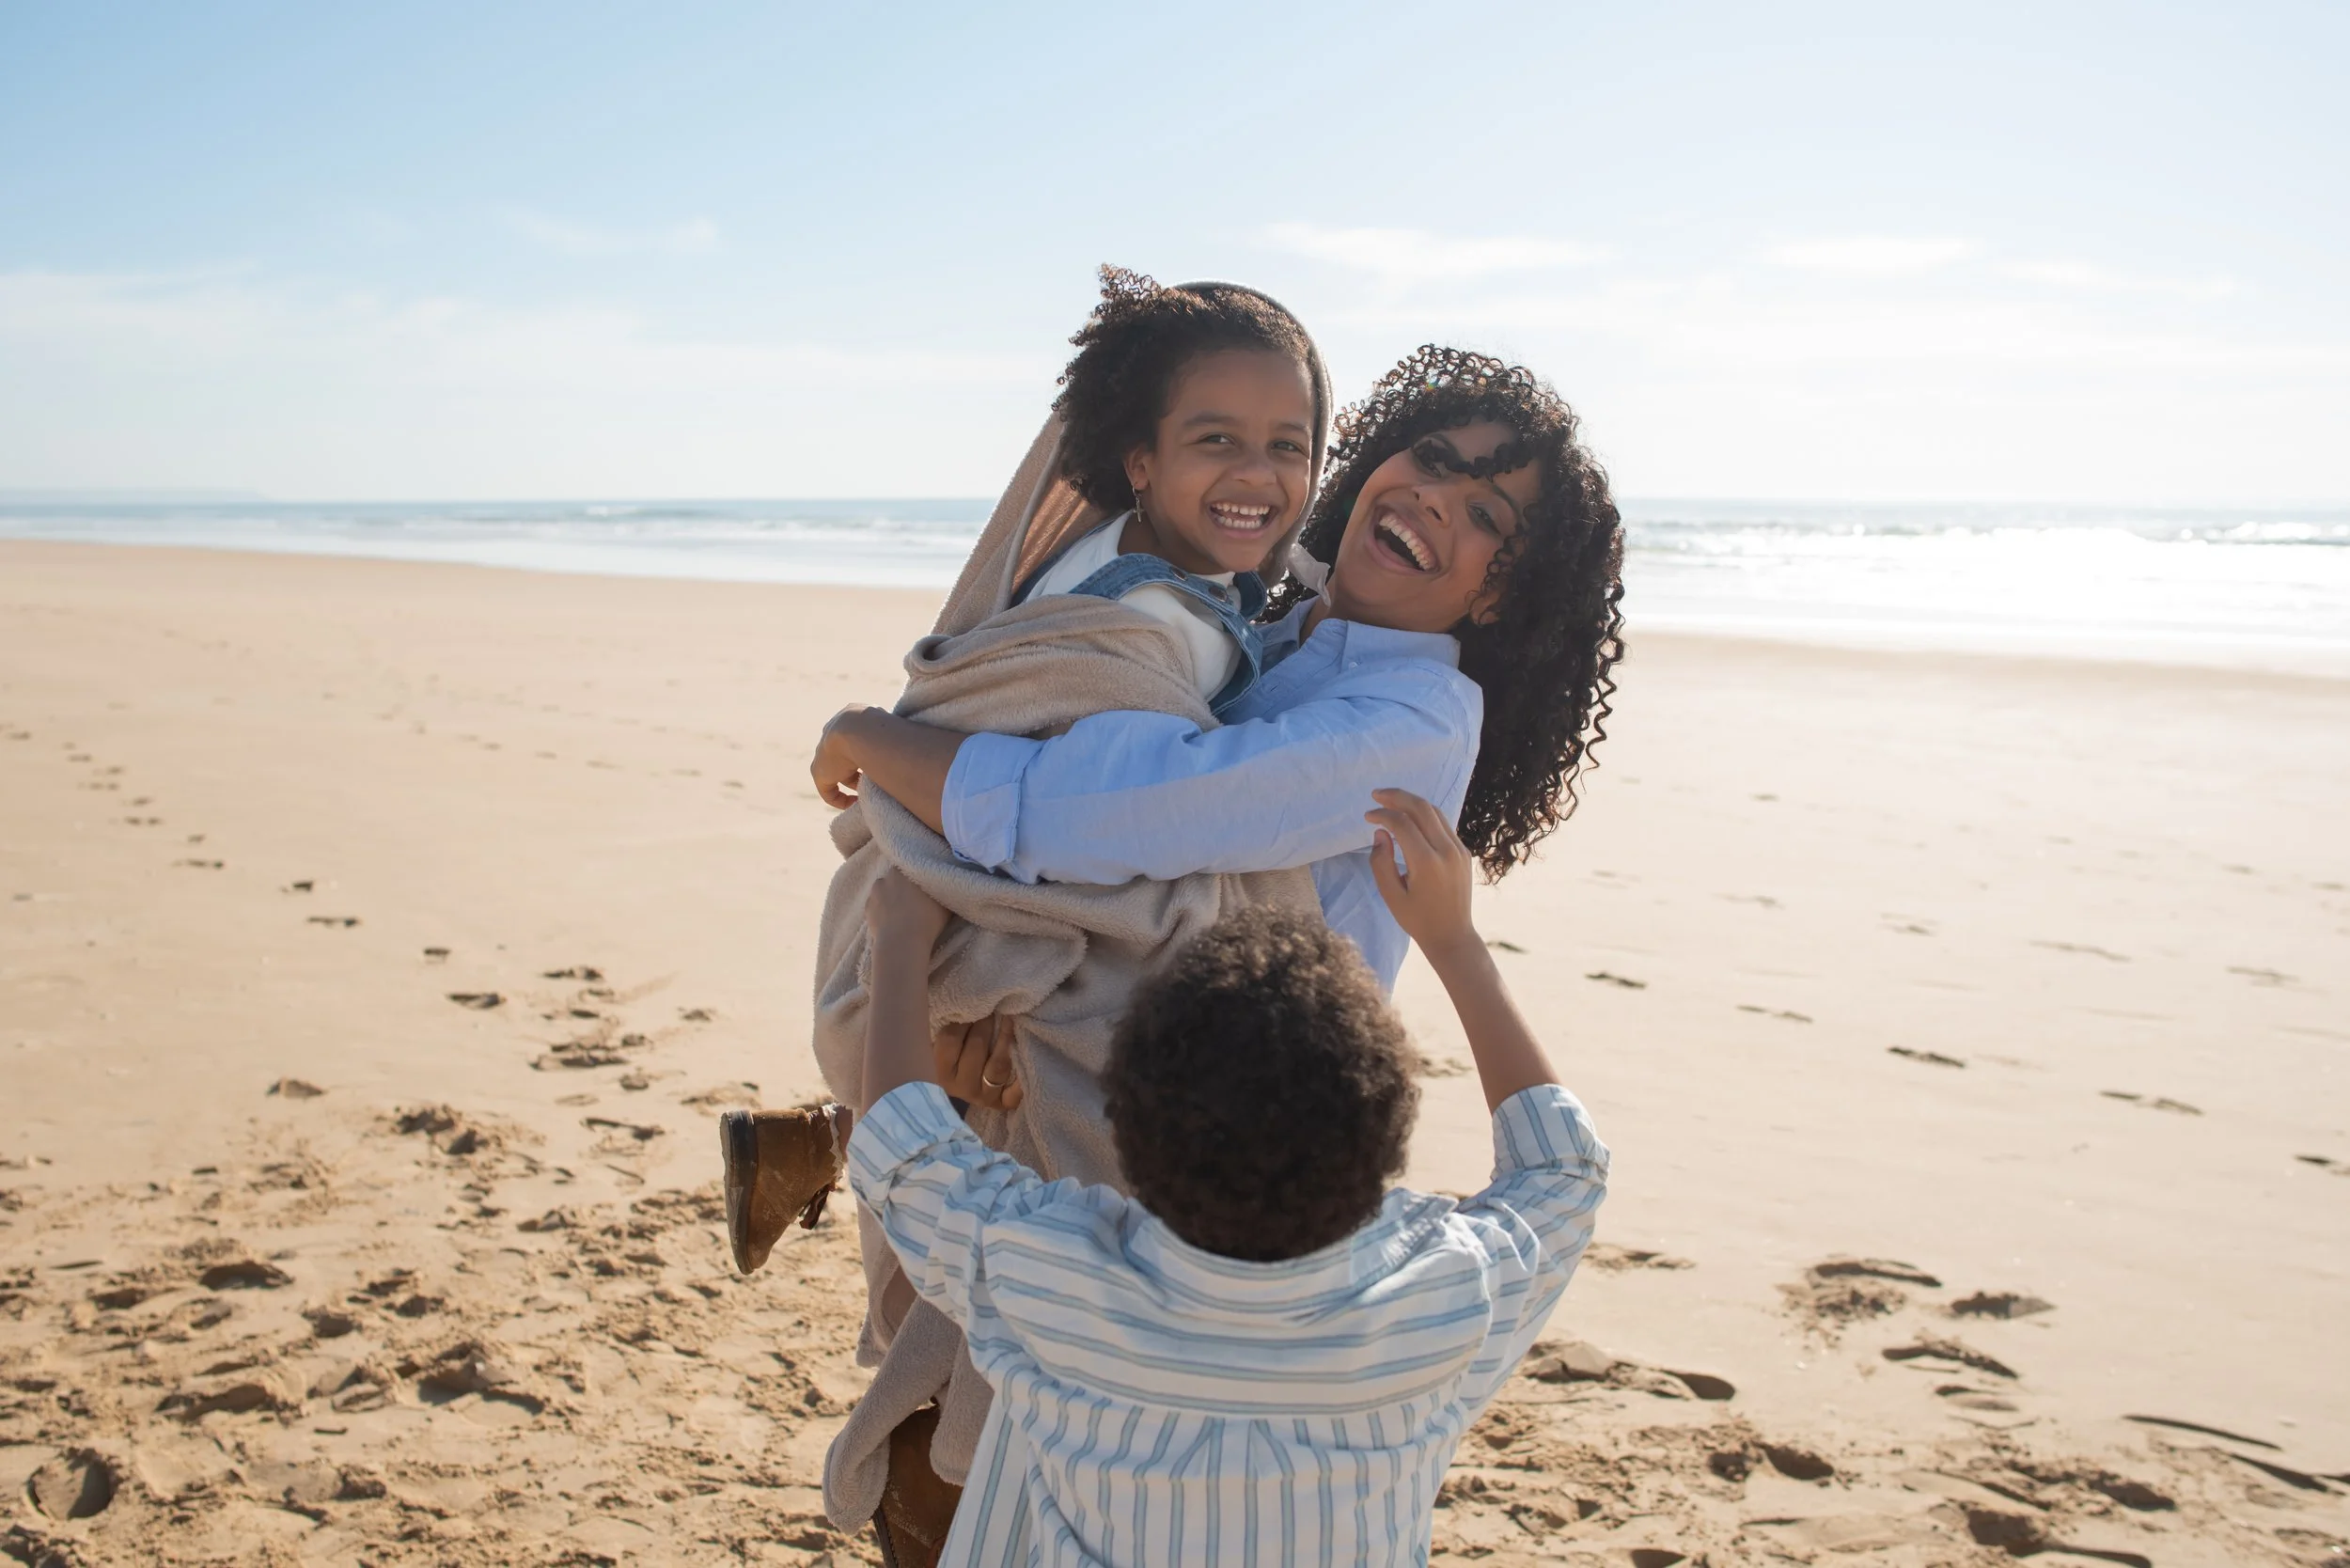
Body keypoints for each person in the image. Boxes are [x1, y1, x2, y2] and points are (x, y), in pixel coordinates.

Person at [851, 789, 1609, 1566]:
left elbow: (904, 1151)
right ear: (1384, 1139)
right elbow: (1563, 1170)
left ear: (1129, 1134)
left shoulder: (1051, 1277)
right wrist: (1455, 944)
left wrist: (902, 942)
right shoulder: (1442, 1299)